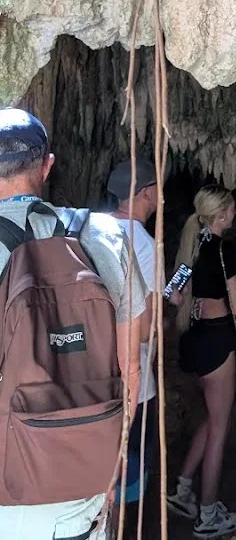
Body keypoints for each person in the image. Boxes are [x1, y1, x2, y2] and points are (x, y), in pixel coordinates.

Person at [0, 108, 146, 540]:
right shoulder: (106, 235)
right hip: (81, 482)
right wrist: (114, 458)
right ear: (47, 166)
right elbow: (130, 367)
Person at [167, 187, 236, 539]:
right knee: (220, 426)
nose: (234, 214)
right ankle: (208, 514)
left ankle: (183, 490)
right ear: (222, 214)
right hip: (216, 340)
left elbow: (173, 292)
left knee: (212, 418)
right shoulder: (224, 250)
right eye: (231, 209)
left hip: (195, 340)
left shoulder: (193, 245)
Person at [108, 155, 160, 512]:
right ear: (144, 193)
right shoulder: (143, 242)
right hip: (134, 385)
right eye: (157, 188)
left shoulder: (89, 227)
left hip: (95, 378)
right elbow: (146, 329)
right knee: (132, 474)